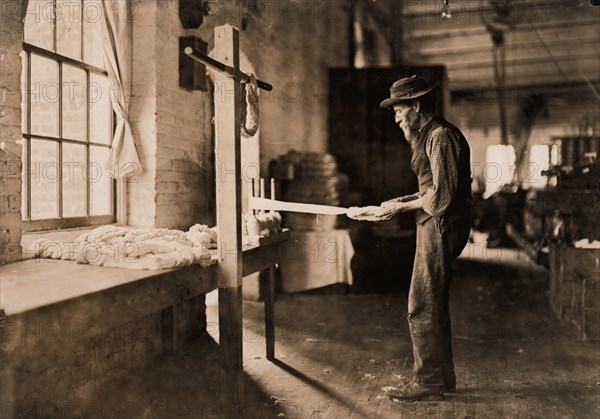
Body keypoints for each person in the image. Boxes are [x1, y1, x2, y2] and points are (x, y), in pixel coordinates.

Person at [378, 75, 473, 401]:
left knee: (422, 302)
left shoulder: (440, 137)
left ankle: (428, 382)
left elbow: (441, 197)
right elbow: (430, 189)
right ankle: (442, 378)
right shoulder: (427, 135)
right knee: (434, 301)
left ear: (416, 106)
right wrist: (398, 203)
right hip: (434, 220)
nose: (396, 117)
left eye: (399, 109)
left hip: (442, 224)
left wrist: (405, 207)